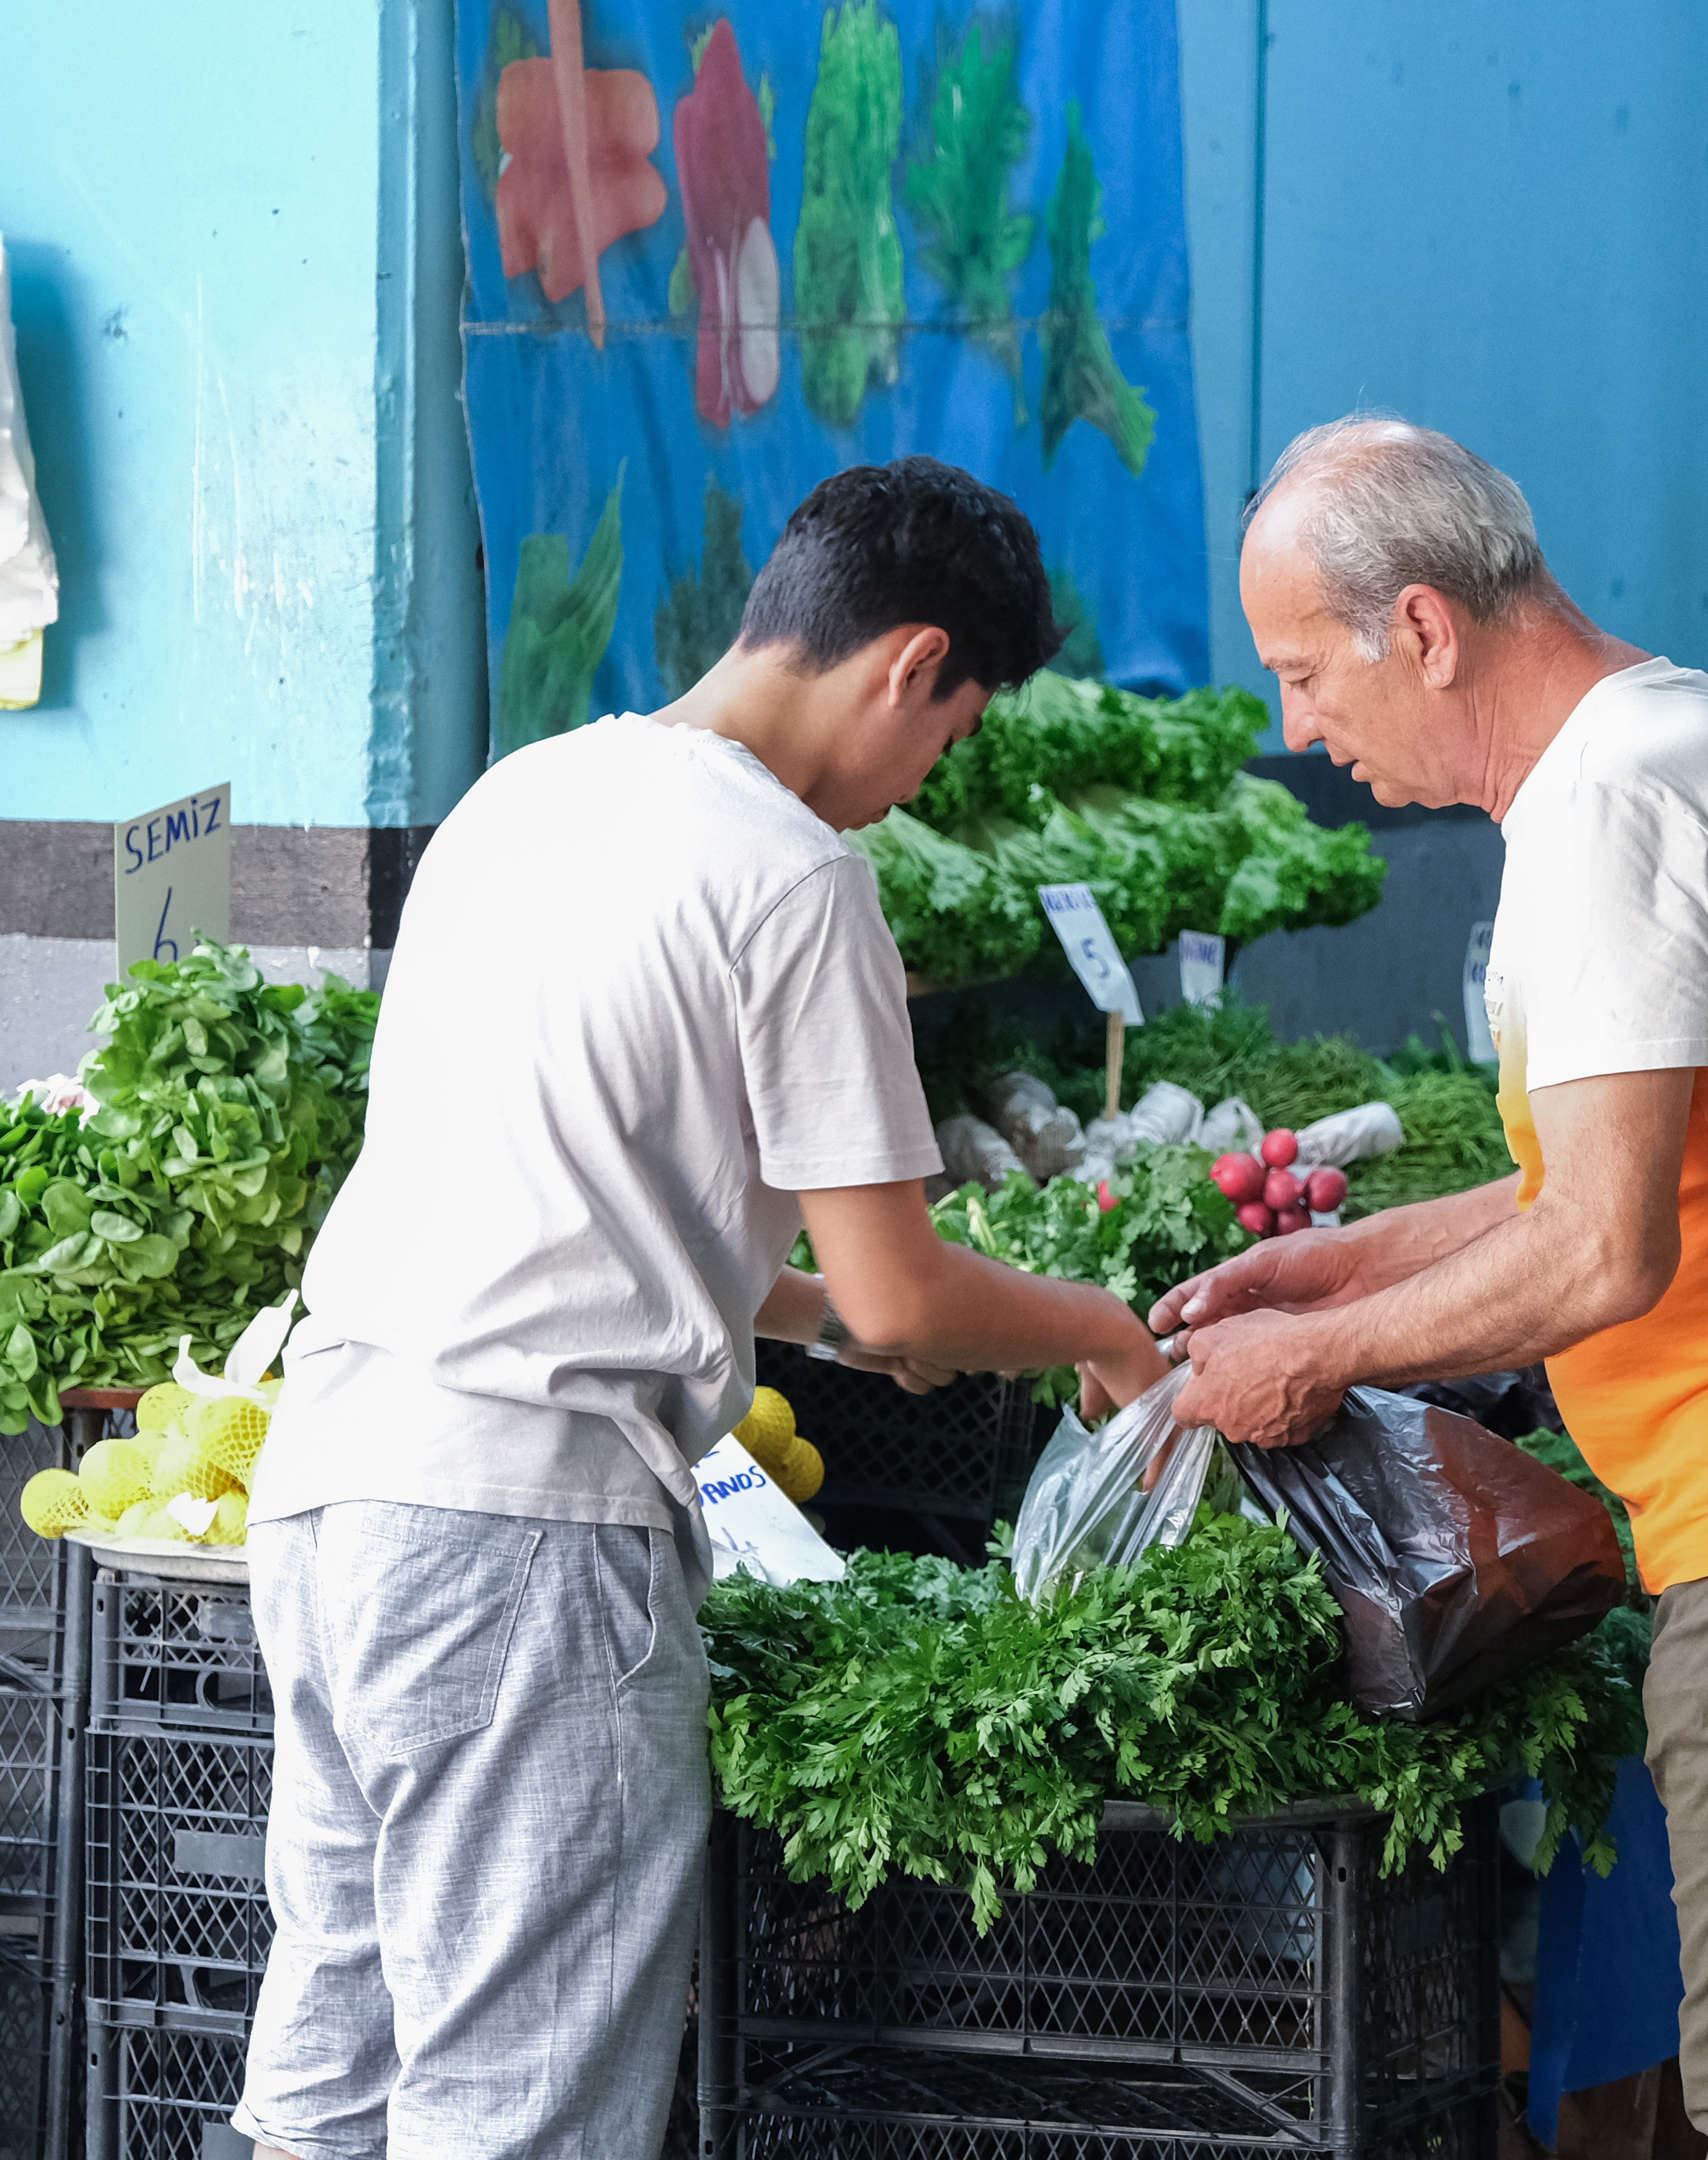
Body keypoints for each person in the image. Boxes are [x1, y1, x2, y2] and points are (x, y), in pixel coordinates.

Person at [1153, 414, 1708, 2160]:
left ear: (1420, 628)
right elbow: (1622, 1172)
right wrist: (1342, 1255)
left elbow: (1601, 1251)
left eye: (1301, 673)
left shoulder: (1604, 808)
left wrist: (1319, 1356)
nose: (1298, 732)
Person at [234, 460, 1170, 2160]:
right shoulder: (794, 876)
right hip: (523, 1538)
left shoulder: (518, 798)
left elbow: (586, 1203)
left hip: (329, 1491)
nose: (917, 782)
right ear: (912, 666)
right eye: (948, 737)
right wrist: (1104, 1329)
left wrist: (784, 1307)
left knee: (332, 2083)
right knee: (511, 2110)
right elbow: (902, 1302)